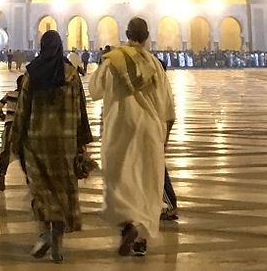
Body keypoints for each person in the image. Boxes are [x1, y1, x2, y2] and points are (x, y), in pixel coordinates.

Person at [89, 16, 176, 257]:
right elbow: (168, 108)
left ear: (126, 34)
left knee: (120, 182)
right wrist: (164, 140)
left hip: (119, 129)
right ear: (147, 36)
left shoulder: (113, 60)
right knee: (147, 185)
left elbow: (95, 90)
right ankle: (140, 239)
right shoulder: (155, 64)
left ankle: (126, 225)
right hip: (149, 131)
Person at [11, 30, 92, 263]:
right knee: (61, 191)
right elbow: (81, 111)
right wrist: (81, 142)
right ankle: (57, 239)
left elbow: (22, 111)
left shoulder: (32, 74)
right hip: (64, 144)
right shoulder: (72, 76)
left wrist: (15, 141)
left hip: (37, 144)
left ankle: (47, 230)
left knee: (42, 191)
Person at [0, 72, 26, 190]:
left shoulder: (10, 94)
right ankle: (29, 178)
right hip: (21, 127)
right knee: (25, 153)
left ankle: (2, 174)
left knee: (5, 151)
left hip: (9, 125)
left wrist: (2, 116)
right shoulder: (26, 96)